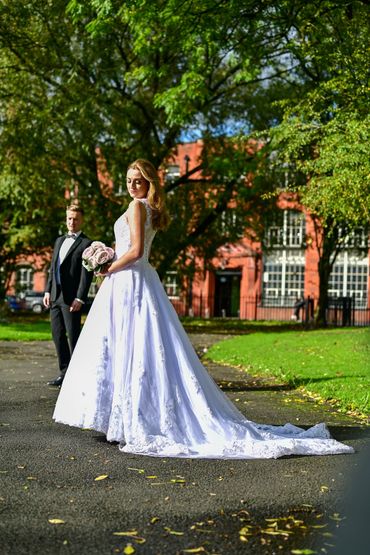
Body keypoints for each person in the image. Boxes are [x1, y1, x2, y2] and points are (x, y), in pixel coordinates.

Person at [53, 160, 354, 459]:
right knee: (135, 348)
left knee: (129, 347)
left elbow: (134, 251)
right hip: (135, 279)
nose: (132, 185)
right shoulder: (149, 209)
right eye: (129, 179)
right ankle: (124, 418)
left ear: (149, 183)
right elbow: (134, 250)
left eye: (138, 180)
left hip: (129, 280)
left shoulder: (137, 207)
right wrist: (106, 256)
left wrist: (107, 267)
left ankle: (127, 418)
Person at [44, 203, 93, 387]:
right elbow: (52, 268)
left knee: (74, 337)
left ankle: (79, 375)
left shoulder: (87, 244)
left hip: (72, 299)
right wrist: (48, 290)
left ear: (82, 220)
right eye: (69, 218)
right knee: (57, 335)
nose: (72, 222)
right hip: (55, 297)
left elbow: (85, 275)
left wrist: (80, 297)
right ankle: (64, 373)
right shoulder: (59, 241)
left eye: (75, 219)